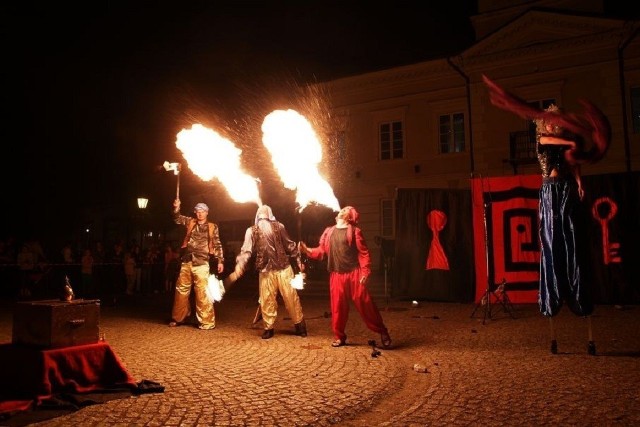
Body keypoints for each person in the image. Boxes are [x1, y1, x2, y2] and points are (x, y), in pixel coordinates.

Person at [299, 206, 391, 348]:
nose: (341, 210)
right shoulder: (329, 231)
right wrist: (307, 250)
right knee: (337, 307)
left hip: (354, 274)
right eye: (342, 209)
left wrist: (365, 272)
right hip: (336, 275)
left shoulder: (355, 232)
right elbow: (322, 251)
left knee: (366, 304)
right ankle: (339, 336)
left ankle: (382, 331)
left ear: (350, 217)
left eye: (346, 210)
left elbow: (363, 254)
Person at [225, 205, 307, 339]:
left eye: (265, 211)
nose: (263, 213)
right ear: (257, 215)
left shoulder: (279, 226)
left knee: (291, 297)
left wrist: (298, 260)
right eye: (260, 212)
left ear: (270, 214)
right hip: (265, 270)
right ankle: (268, 328)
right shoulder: (251, 231)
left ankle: (299, 325)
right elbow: (246, 250)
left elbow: (289, 245)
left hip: (283, 268)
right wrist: (240, 264)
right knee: (266, 299)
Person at [169, 200, 224, 330]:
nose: (200, 214)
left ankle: (207, 322)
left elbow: (217, 244)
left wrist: (220, 261)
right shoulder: (190, 222)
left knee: (202, 292)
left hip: (202, 263)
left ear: (207, 213)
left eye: (202, 211)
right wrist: (176, 208)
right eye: (198, 211)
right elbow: (177, 219)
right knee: (181, 290)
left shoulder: (212, 226)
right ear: (195, 213)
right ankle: (178, 318)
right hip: (187, 261)